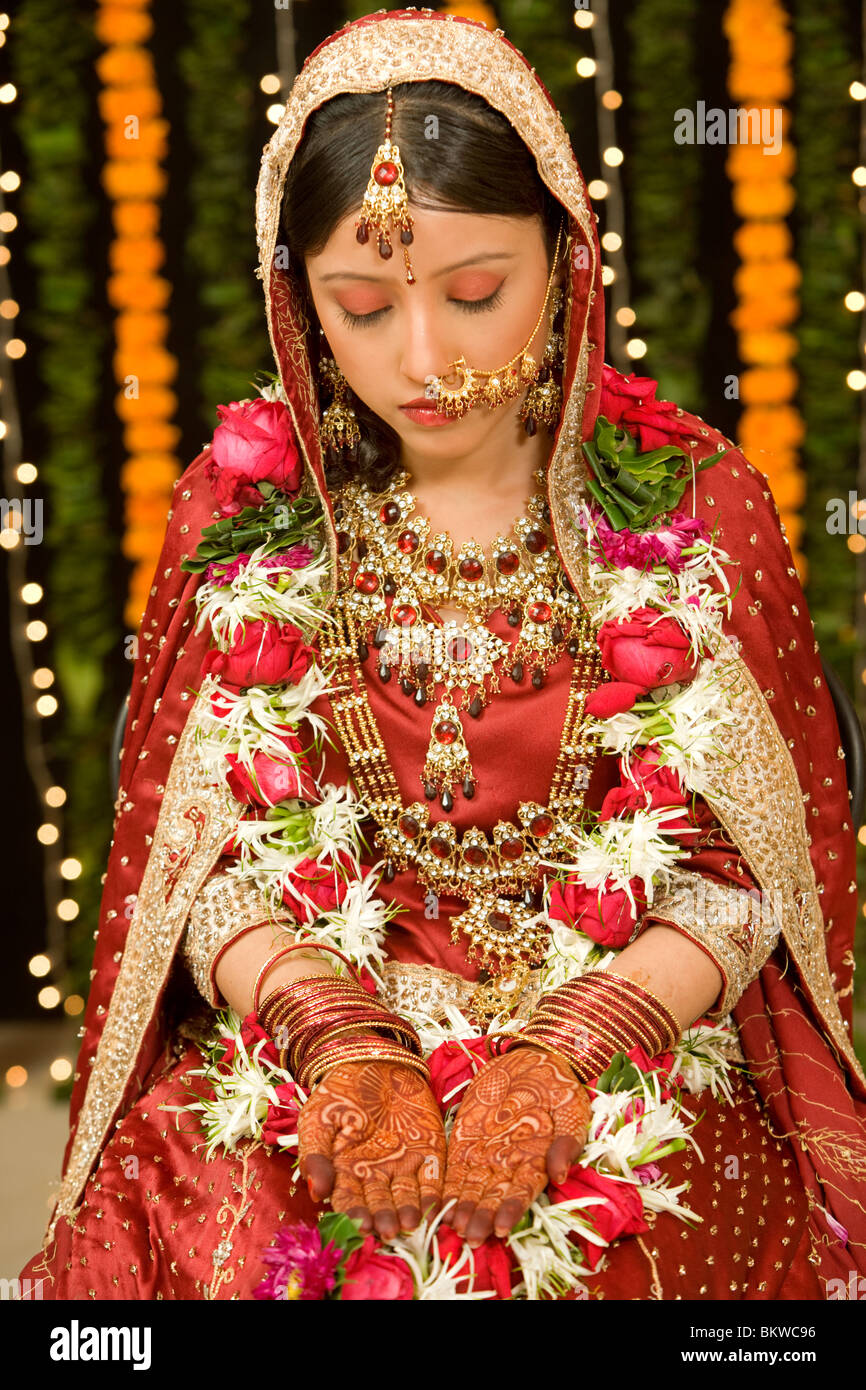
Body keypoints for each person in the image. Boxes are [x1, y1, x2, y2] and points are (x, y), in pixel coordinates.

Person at [20, 9, 866, 1301]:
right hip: (317, 1031)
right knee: (215, 1236)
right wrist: (333, 1032)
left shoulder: (695, 501)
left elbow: (752, 865)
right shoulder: (247, 513)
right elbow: (194, 868)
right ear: (299, 303)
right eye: (362, 307)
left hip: (632, 1033)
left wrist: (578, 1041)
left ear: (566, 261)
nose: (426, 360)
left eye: (476, 293)